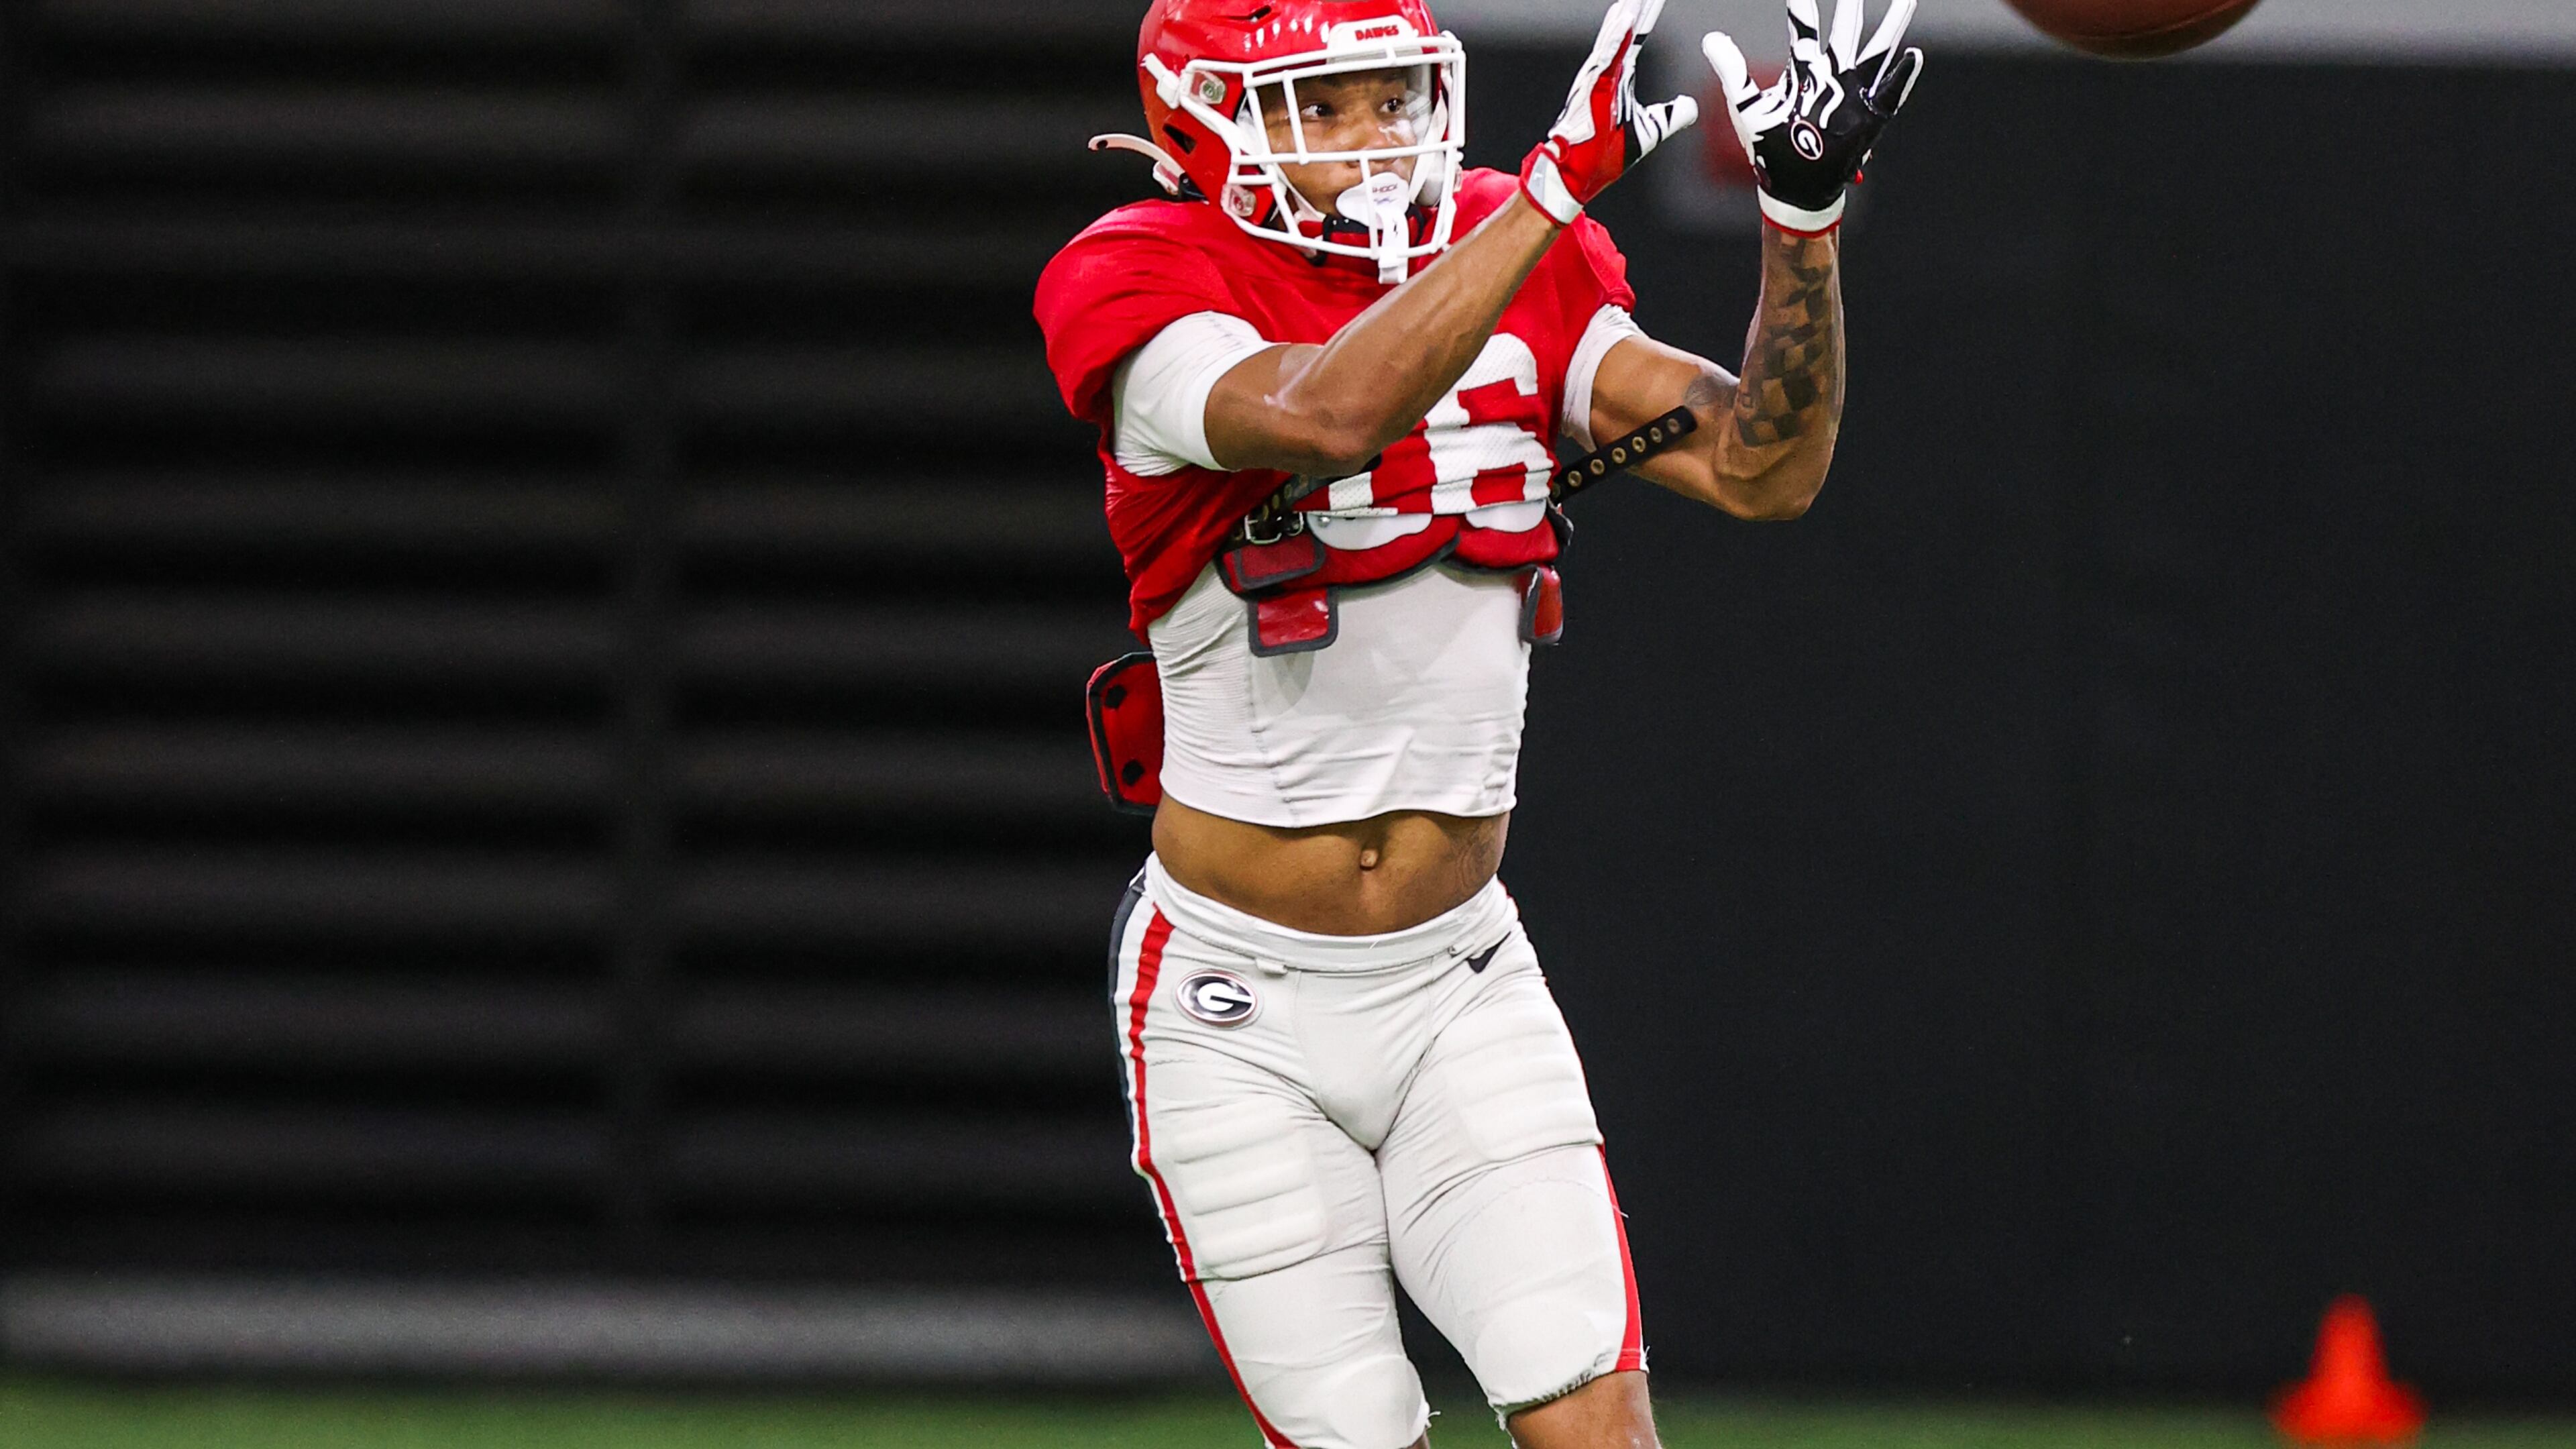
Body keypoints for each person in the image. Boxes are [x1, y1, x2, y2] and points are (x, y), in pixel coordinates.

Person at [1035, 0, 1922, 1443]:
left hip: (1456, 975)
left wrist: (1801, 218)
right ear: (1202, 120)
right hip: (1233, 1003)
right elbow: (1329, 413)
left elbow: (1763, 470)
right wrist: (1551, 202)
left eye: (1390, 96)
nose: (1373, 138)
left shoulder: (1518, 235)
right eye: (1319, 107)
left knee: (1598, 1426)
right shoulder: (1135, 269)